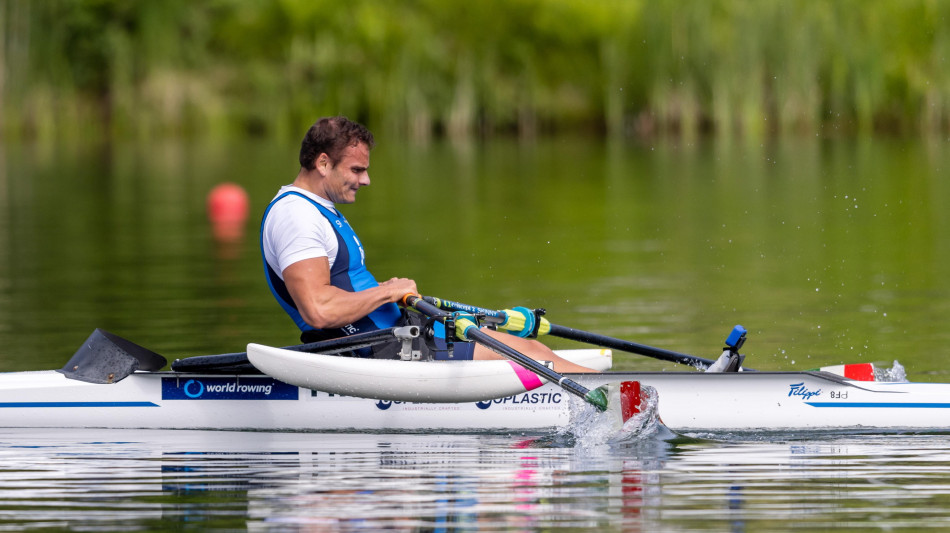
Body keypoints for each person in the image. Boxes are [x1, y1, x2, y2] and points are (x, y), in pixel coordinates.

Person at [261, 116, 594, 373]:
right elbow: (318, 310)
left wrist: (388, 291)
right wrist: (387, 292)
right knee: (530, 355)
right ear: (322, 163)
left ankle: (616, 392)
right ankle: (622, 398)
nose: (366, 180)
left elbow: (341, 287)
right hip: (376, 351)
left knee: (528, 344)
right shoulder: (296, 217)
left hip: (398, 334)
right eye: (357, 170)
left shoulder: (315, 209)